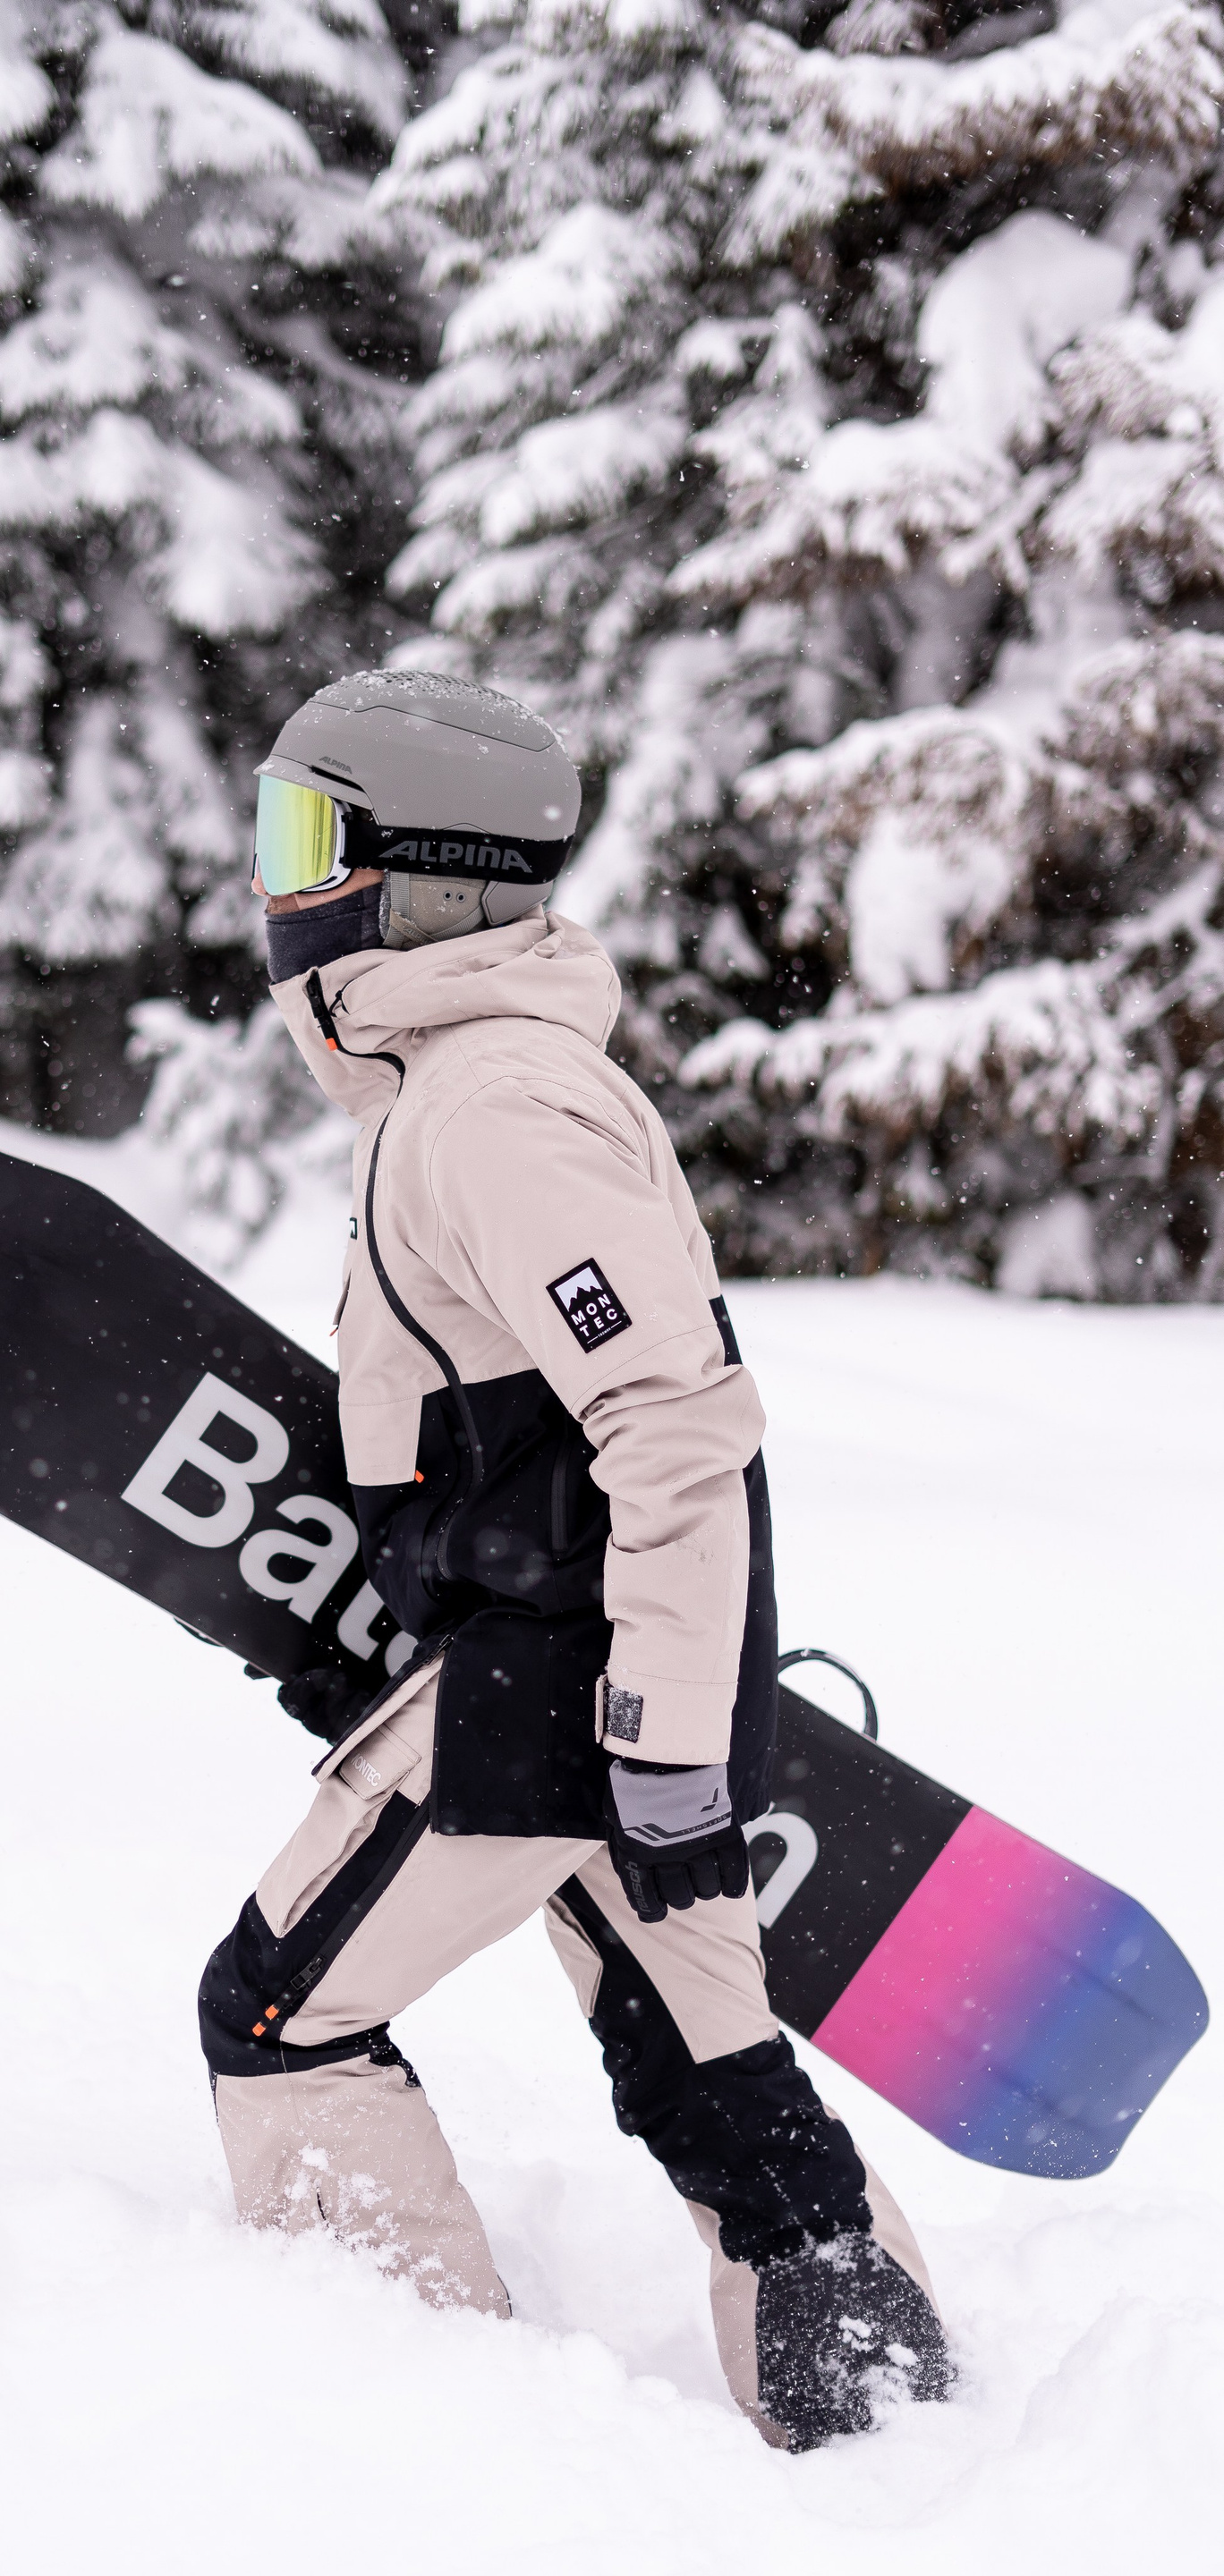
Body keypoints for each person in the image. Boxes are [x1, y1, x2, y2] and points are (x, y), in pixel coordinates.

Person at [198, 671, 951, 2450]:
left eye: (307, 838)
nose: (277, 883)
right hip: (585, 1672)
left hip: (560, 1695)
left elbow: (676, 1427)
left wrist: (670, 1748)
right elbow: (508, 1434)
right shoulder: (460, 1086)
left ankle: (403, 2408)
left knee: (279, 2014)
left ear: (417, 872)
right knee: (709, 2060)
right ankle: (883, 2415)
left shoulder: (493, 1112)